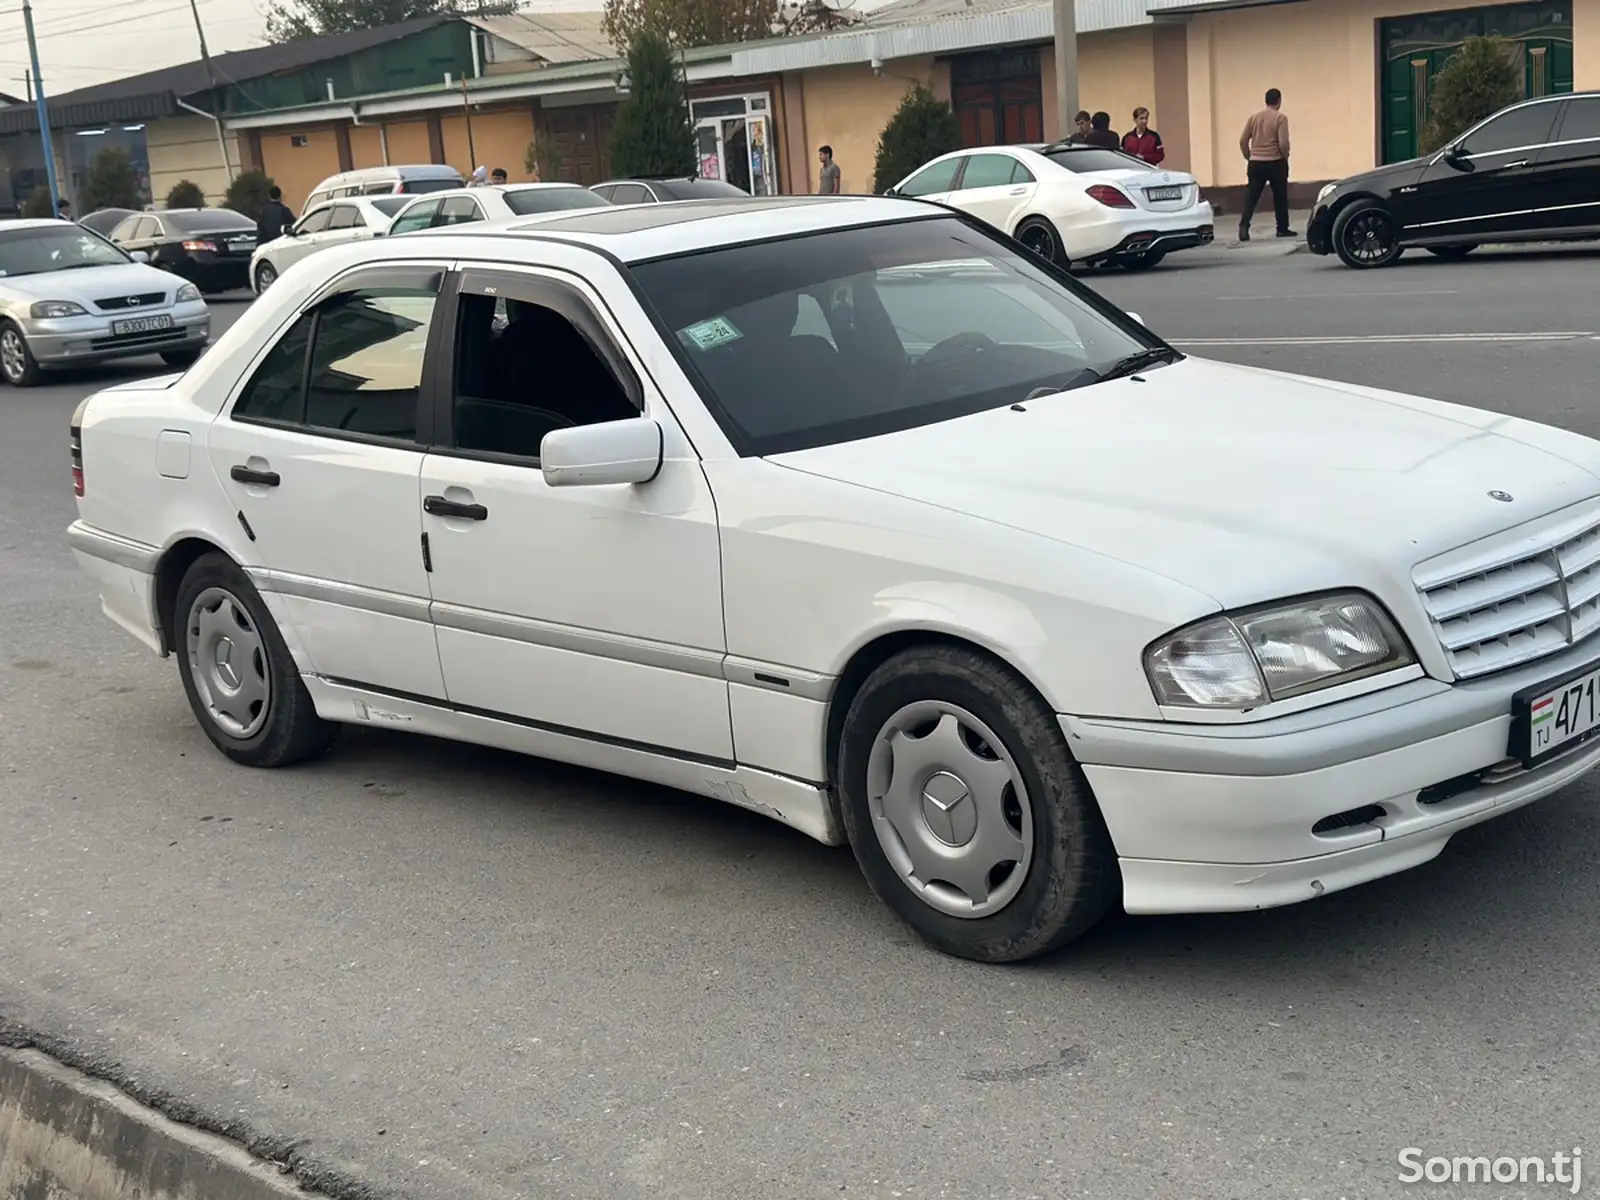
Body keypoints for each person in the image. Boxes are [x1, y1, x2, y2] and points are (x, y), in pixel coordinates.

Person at [1238, 87, 1294, 240]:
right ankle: (1282, 228)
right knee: (1280, 196)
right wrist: (1285, 156)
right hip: (1275, 162)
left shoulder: (1254, 118)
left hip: (1256, 163)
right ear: (1279, 101)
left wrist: (1249, 156)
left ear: (1266, 100)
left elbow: (1243, 140)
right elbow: (1283, 143)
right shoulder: (1280, 118)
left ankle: (1244, 226)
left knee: (1251, 197)